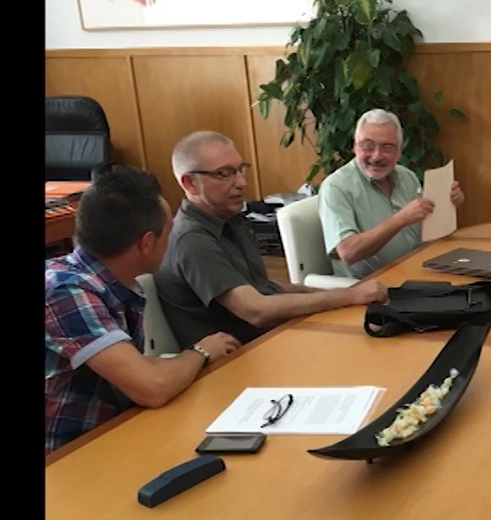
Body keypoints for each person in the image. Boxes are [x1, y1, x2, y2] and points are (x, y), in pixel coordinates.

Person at [45, 167, 242, 455]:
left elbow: (140, 371)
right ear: (147, 243)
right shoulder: (67, 293)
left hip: (111, 435)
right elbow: (151, 387)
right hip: (67, 460)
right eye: (168, 233)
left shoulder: (106, 282)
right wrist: (200, 352)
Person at [155, 131, 389, 348]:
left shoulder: (229, 218)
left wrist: (346, 295)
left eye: (240, 169)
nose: (241, 183)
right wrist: (348, 296)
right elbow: (257, 310)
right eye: (224, 173)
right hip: (233, 362)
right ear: (190, 183)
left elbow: (265, 288)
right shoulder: (192, 240)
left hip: (271, 338)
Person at [318, 109, 466, 279]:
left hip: (417, 272)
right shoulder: (336, 187)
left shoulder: (406, 176)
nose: (376, 156)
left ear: (399, 151)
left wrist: (446, 202)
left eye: (387, 147)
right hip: (370, 286)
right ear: (354, 146)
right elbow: (348, 253)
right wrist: (401, 218)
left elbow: (427, 229)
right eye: (367, 145)